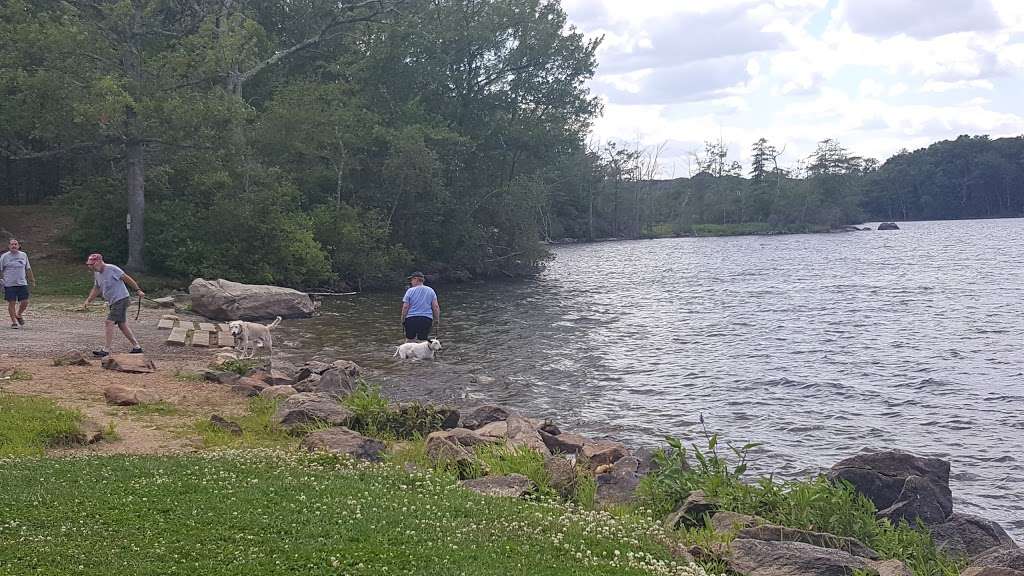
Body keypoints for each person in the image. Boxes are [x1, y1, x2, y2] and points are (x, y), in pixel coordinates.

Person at [83, 253, 145, 356]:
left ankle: (106, 350)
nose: (91, 267)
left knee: (109, 322)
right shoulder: (97, 273)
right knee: (122, 325)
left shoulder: (112, 269)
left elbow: (126, 278)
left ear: (99, 262)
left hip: (121, 299)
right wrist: (88, 300)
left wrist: (138, 290)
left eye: (92, 264)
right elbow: (97, 288)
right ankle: (137, 347)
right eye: (89, 265)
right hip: (113, 301)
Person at [1, 238, 36, 329]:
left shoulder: (23, 255)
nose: (14, 246)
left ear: (18, 246)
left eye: (15, 244)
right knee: (12, 302)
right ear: (9, 246)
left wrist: (32, 279)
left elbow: (28, 268)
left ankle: (19, 314)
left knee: (25, 302)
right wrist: (1, 280)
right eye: (12, 244)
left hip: (22, 283)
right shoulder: (4, 257)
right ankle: (14, 322)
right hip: (9, 283)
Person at [401, 271, 440, 342]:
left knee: (410, 340)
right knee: (423, 341)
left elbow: (405, 307)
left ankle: (407, 353)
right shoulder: (431, 290)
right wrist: (437, 319)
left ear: (416, 279)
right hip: (426, 318)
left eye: (411, 280)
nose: (411, 282)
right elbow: (435, 307)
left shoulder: (410, 291)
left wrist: (403, 319)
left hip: (411, 318)